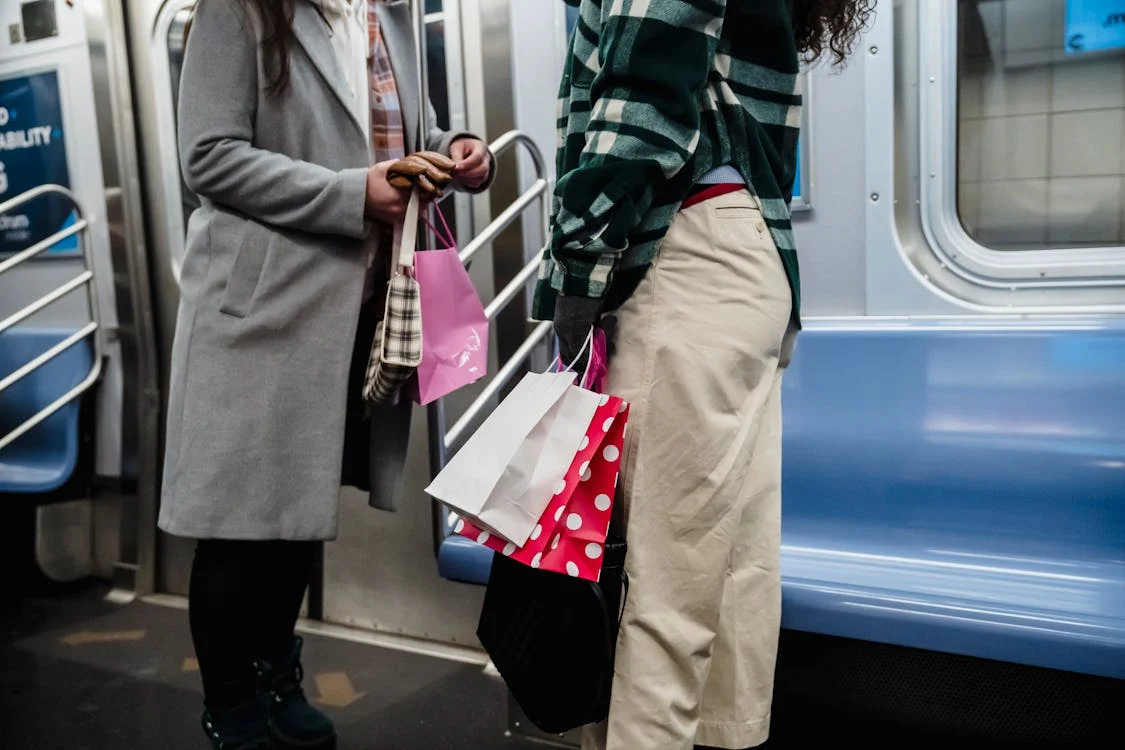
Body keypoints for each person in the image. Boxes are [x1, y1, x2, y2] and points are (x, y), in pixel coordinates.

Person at [536, 1, 873, 748]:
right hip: (740, 257)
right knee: (728, 561)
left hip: (678, 256)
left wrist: (579, 266)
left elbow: (643, 100)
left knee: (656, 583)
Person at [162, 1, 494, 748]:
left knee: (295, 516)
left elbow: (408, 134)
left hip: (352, 309)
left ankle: (277, 674)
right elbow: (209, 156)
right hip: (260, 312)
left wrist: (462, 150)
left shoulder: (386, 15)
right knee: (238, 526)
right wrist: (352, 193)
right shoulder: (237, 12)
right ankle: (233, 705)